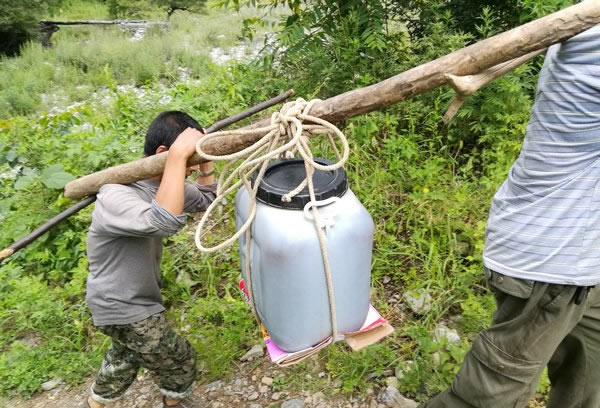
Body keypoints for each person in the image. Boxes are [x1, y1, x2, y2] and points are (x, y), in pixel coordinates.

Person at [394, 23, 600, 408]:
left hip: (585, 256)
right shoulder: (595, 43)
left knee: (589, 375)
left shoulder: (586, 26)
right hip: (552, 261)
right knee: (487, 395)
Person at [80, 111, 217, 408]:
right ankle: (175, 403)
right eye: (188, 158)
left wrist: (204, 160)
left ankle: (97, 402)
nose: (191, 166)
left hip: (134, 301)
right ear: (164, 154)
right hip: (121, 304)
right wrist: (181, 157)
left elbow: (207, 199)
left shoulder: (169, 185)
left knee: (127, 354)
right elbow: (164, 222)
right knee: (179, 360)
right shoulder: (115, 195)